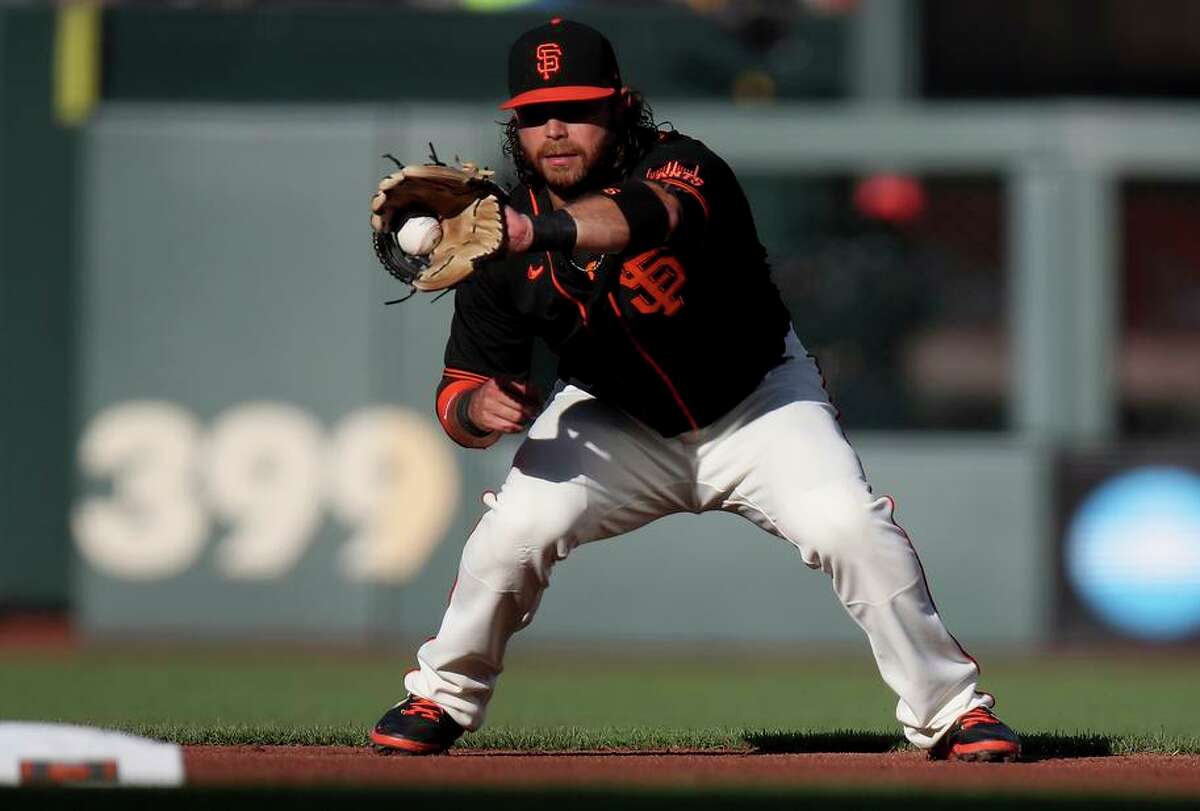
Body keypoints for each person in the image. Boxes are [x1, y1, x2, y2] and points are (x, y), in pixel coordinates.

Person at [369, 18, 1020, 763]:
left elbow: (649, 216)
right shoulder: (497, 241)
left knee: (848, 527)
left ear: (620, 107)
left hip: (758, 403)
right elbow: (459, 393)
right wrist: (479, 410)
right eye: (537, 114)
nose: (556, 129)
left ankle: (952, 711)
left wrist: (532, 232)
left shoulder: (682, 167)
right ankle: (440, 696)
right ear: (514, 125)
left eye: (577, 109)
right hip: (617, 417)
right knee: (514, 531)